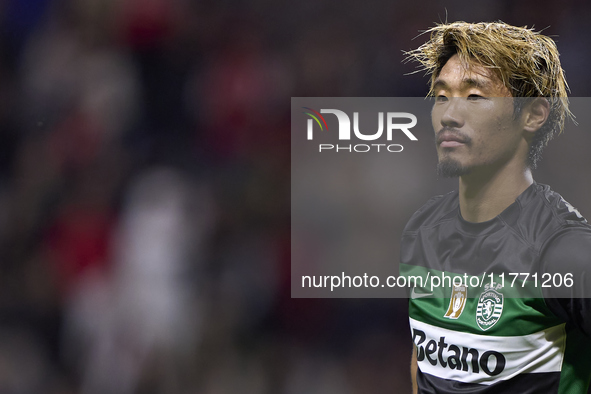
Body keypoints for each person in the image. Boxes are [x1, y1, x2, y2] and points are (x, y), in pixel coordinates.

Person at [400, 21, 591, 393]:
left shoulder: (565, 252)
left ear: (534, 115)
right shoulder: (421, 230)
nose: (450, 115)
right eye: (441, 97)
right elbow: (423, 359)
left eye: (474, 97)